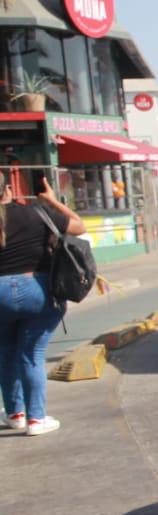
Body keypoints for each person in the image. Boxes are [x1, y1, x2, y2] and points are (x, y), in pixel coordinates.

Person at [1, 173, 87, 436]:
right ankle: (36, 419)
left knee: (5, 354)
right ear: (7, 190)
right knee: (32, 355)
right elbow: (79, 226)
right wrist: (52, 200)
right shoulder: (36, 213)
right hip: (36, 291)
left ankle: (15, 414)